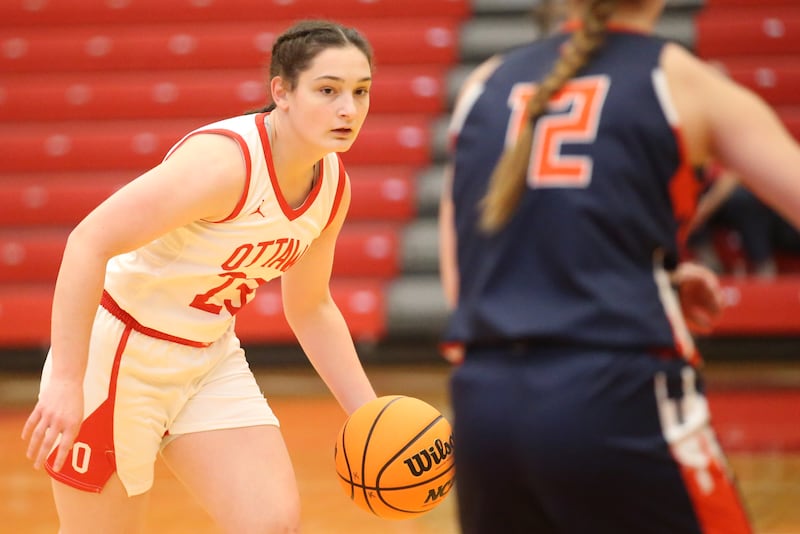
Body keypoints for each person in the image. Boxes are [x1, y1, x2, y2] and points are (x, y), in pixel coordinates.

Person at [438, 0, 800, 532]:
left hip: (483, 406)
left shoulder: (484, 83)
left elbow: (461, 277)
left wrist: (640, 276)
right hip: (616, 396)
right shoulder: (680, 79)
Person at [21, 19, 377, 533]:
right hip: (118, 356)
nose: (349, 109)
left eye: (360, 92)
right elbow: (87, 241)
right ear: (282, 92)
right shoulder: (223, 164)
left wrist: (366, 414)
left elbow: (311, 306)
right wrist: (67, 381)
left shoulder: (332, 186)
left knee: (270, 524)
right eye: (328, 90)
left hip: (208, 356)